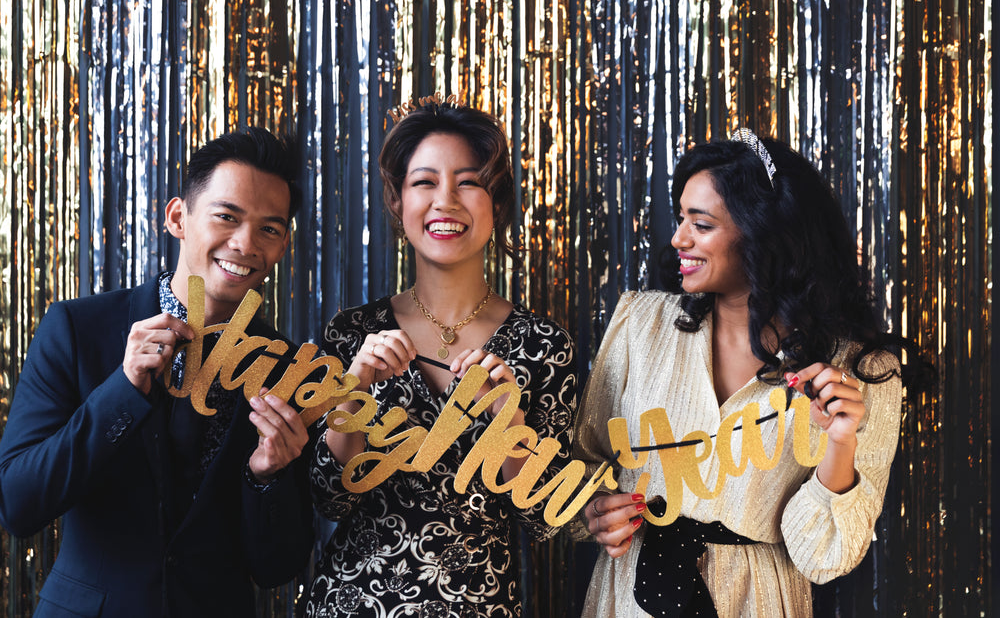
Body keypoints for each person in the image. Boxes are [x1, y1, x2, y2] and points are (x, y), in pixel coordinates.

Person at [573, 130, 932, 617]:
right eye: (681, 219)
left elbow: (825, 558)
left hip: (757, 602)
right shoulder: (639, 324)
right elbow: (584, 464)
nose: (678, 238)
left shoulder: (865, 373)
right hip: (630, 593)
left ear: (765, 233)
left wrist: (840, 443)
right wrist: (595, 510)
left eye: (701, 224)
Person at [0, 128, 314, 617]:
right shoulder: (78, 328)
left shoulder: (287, 368)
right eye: (227, 216)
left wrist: (267, 477)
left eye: (269, 229)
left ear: (283, 244)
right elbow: (19, 504)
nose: (245, 243)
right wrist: (121, 390)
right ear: (177, 217)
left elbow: (278, 568)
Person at [303, 98, 577, 618]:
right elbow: (329, 501)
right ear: (398, 201)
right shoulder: (352, 333)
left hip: (479, 605)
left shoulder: (542, 344)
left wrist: (508, 420)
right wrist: (355, 389)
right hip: (353, 602)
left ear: (496, 203)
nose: (445, 201)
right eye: (424, 182)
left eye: (469, 182)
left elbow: (546, 519)